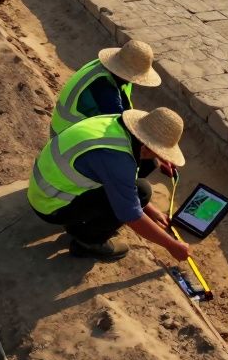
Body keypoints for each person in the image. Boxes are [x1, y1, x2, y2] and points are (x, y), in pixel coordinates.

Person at [28, 107, 190, 262]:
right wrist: (171, 245)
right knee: (142, 192)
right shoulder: (118, 160)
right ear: (145, 148)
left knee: (146, 174)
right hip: (51, 206)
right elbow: (131, 215)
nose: (161, 156)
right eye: (159, 151)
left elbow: (119, 178)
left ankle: (80, 222)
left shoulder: (113, 122)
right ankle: (88, 242)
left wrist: (151, 210)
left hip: (45, 188)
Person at [49, 40, 161, 138]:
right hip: (67, 137)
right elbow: (119, 123)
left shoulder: (106, 71)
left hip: (68, 130)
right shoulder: (103, 86)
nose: (132, 81)